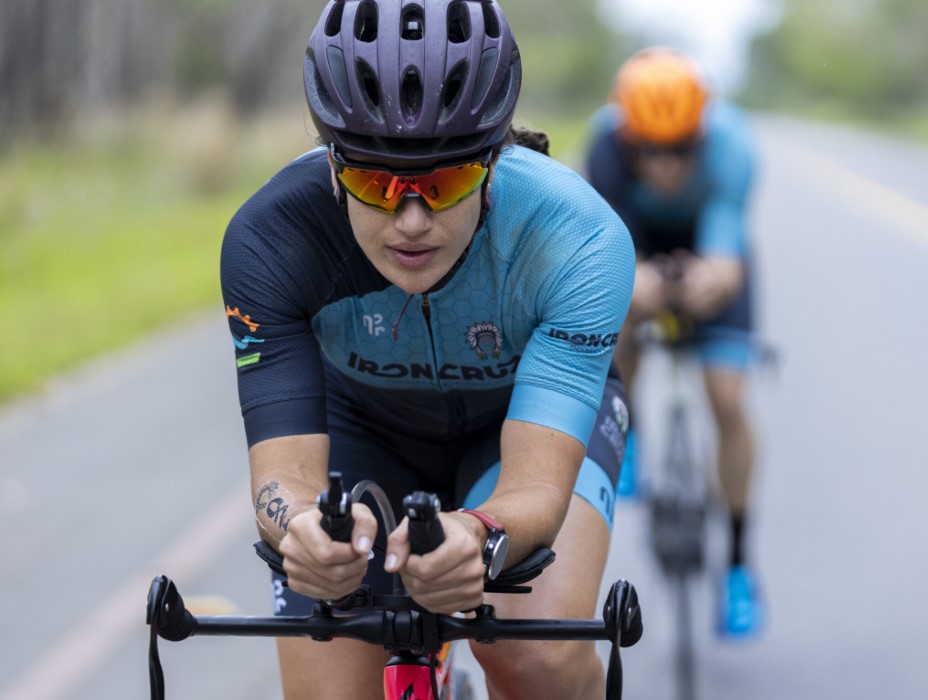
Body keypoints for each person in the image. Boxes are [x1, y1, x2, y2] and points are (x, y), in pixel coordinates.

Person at [220, 1, 634, 698]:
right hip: (362, 424)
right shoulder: (270, 241)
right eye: (373, 182)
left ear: (494, 163)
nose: (411, 221)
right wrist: (303, 531)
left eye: (445, 183)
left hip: (518, 429)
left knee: (540, 661)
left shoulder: (580, 239)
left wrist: (481, 532)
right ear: (332, 164)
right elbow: (281, 478)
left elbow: (533, 489)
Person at [584, 47, 762, 639]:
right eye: (650, 151)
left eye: (681, 149)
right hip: (640, 236)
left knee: (728, 400)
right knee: (621, 319)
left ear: (702, 136)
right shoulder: (605, 147)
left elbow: (726, 264)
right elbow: (613, 251)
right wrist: (640, 291)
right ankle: (627, 435)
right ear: (628, 138)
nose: (664, 164)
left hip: (710, 241)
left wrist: (708, 283)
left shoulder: (734, 149)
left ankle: (737, 565)